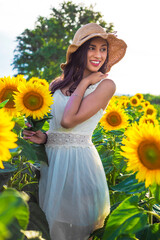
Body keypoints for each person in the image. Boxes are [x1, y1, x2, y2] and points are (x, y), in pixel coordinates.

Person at [23, 22, 127, 240]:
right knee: (51, 228)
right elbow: (58, 128)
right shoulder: (55, 85)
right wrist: (43, 138)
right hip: (52, 164)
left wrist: (86, 81)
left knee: (79, 229)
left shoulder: (105, 86)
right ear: (80, 51)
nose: (98, 54)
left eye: (103, 48)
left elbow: (69, 120)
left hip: (80, 165)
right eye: (92, 48)